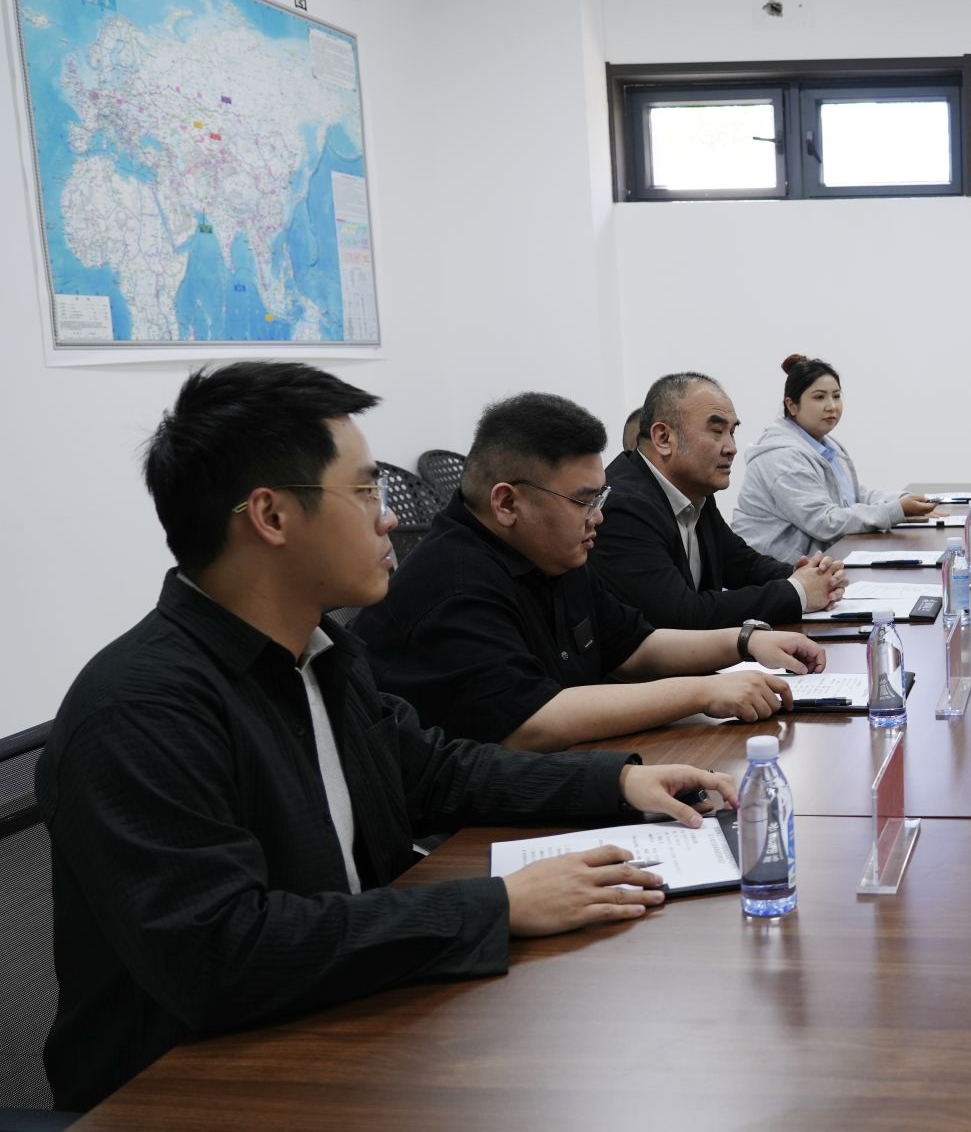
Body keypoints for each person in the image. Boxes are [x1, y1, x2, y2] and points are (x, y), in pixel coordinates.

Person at [38, 363, 741, 1111]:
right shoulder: (141, 710)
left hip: (342, 1022)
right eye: (365, 492)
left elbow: (435, 771)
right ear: (271, 517)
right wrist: (498, 906)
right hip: (189, 1089)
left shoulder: (319, 654)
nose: (389, 520)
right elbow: (223, 954)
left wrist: (619, 782)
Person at [351, 392, 826, 752]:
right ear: (507, 502)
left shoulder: (554, 553)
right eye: (583, 500)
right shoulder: (455, 582)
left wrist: (746, 641)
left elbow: (633, 645)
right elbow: (533, 721)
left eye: (600, 497)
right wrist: (703, 692)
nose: (597, 516)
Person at [592, 371, 846, 629]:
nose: (731, 448)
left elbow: (741, 564)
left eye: (732, 432)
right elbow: (680, 615)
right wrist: (797, 592)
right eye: (716, 431)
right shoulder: (624, 507)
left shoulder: (695, 490)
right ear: (664, 438)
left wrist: (807, 576)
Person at [731, 354, 938, 563]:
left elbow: (854, 497)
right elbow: (824, 521)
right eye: (819, 397)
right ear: (791, 405)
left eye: (836, 396)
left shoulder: (826, 445)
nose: (831, 406)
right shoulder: (782, 457)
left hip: (818, 562)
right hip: (774, 571)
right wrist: (896, 511)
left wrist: (903, 501)